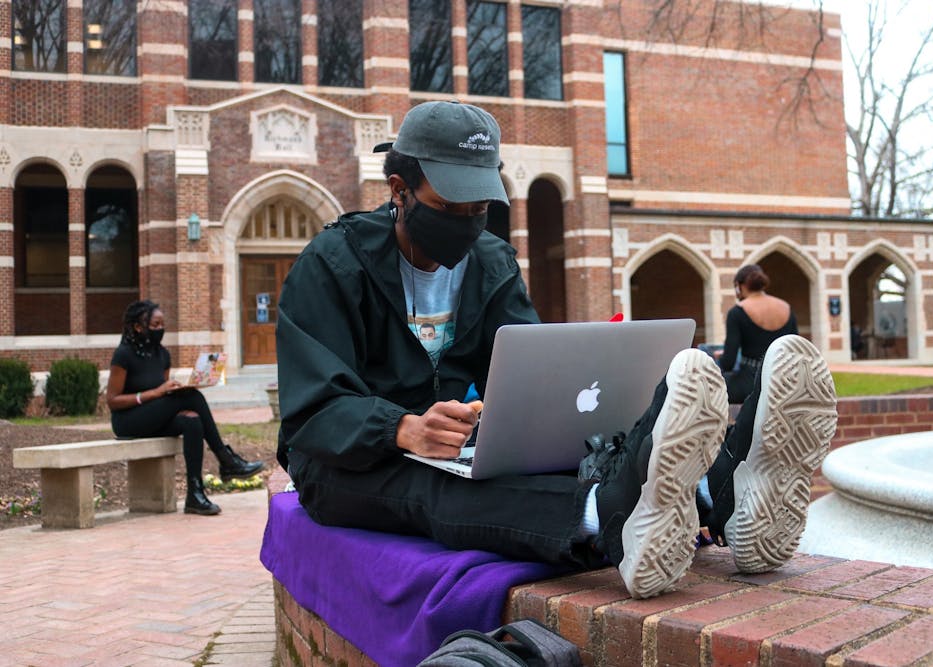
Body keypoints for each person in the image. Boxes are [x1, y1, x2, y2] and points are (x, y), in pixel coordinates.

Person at [276, 101, 838, 599]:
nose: (472, 222)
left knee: (549, 447)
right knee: (436, 486)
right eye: (455, 205)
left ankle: (718, 492)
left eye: (482, 206)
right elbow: (310, 413)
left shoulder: (491, 261)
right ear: (399, 191)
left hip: (447, 443)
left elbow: (538, 380)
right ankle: (611, 518)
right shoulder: (332, 264)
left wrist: (508, 413)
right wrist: (401, 427)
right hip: (344, 463)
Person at [106, 300, 264, 515]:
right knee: (192, 397)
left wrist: (171, 392)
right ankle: (226, 459)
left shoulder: (163, 355)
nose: (160, 329)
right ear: (138, 326)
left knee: (192, 420)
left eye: (162, 324)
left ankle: (195, 495)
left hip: (153, 418)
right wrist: (156, 393)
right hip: (128, 421)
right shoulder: (123, 355)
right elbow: (113, 400)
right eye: (154, 325)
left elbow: (163, 396)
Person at [718, 264, 798, 404]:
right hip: (782, 384)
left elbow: (728, 362)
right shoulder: (786, 308)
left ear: (739, 286)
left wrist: (719, 360)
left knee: (711, 389)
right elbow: (795, 352)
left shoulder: (737, 312)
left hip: (750, 384)